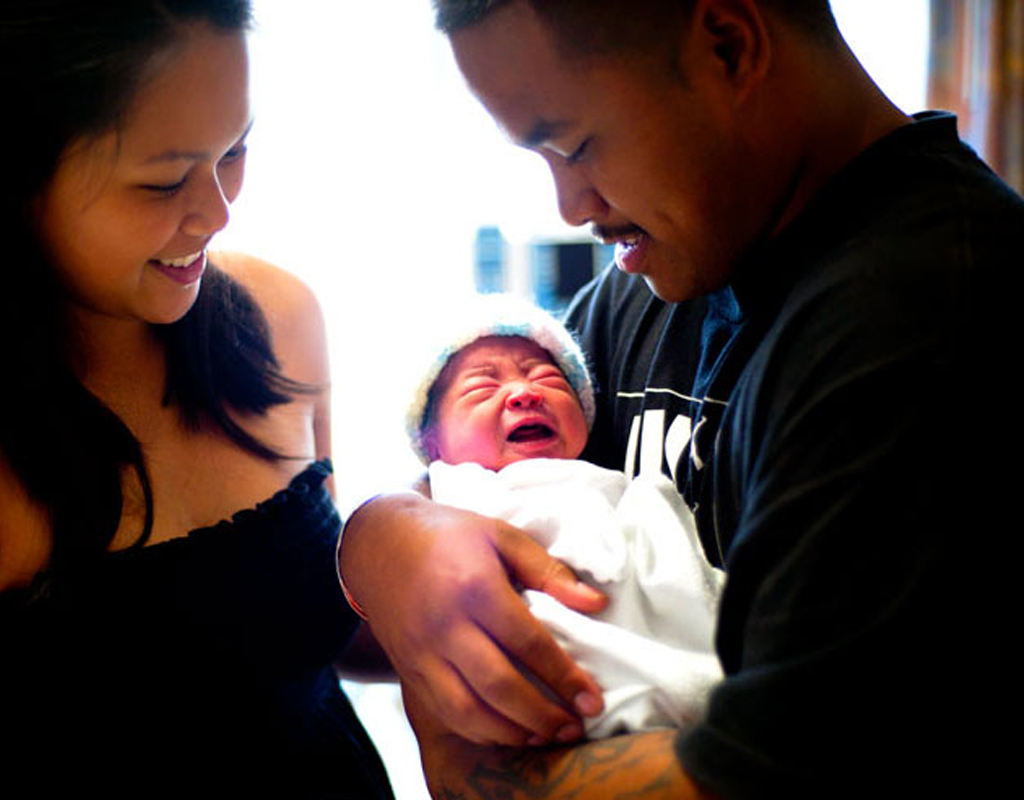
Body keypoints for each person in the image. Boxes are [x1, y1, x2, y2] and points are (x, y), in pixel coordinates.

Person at [337, 0, 1022, 797]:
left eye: (578, 146)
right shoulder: (661, 276)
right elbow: (486, 475)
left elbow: (760, 775)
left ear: (728, 48)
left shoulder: (927, 319)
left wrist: (466, 768)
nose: (571, 207)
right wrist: (386, 531)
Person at [0, 1, 392, 798]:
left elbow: (303, 637)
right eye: (163, 181)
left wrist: (422, 558)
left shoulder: (279, 317)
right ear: (6, 180)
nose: (219, 211)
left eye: (236, 149)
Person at [407, 295, 724, 737]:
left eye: (547, 377)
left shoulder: (612, 482)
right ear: (433, 444)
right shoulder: (455, 499)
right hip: (560, 691)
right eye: (482, 387)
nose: (524, 392)